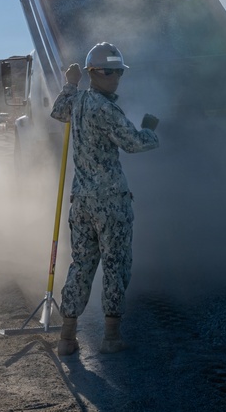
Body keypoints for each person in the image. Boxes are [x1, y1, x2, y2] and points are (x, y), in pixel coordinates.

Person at [50, 42, 160, 356]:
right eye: (109, 72)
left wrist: (70, 83)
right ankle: (111, 338)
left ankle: (66, 339)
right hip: (111, 201)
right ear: (94, 73)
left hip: (81, 201)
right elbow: (135, 144)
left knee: (80, 266)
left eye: (118, 72)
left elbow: (59, 110)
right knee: (115, 265)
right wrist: (150, 130)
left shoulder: (78, 101)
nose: (115, 78)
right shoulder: (104, 107)